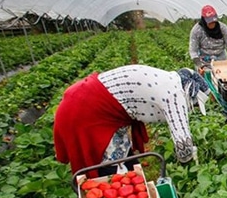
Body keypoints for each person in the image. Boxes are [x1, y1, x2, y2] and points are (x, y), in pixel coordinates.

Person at [53, 65, 209, 177]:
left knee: (124, 155)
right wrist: (193, 169)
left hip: (88, 99)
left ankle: (131, 181)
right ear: (190, 93)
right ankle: (115, 193)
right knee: (109, 164)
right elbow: (183, 146)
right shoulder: (174, 95)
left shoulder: (169, 79)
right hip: (85, 110)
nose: (192, 108)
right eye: (194, 103)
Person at [189, 5, 227, 74]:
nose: (212, 24)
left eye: (214, 21)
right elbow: (193, 51)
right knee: (207, 81)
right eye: (210, 22)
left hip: (222, 62)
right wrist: (200, 65)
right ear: (204, 20)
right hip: (205, 63)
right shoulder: (197, 31)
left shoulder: (223, 28)